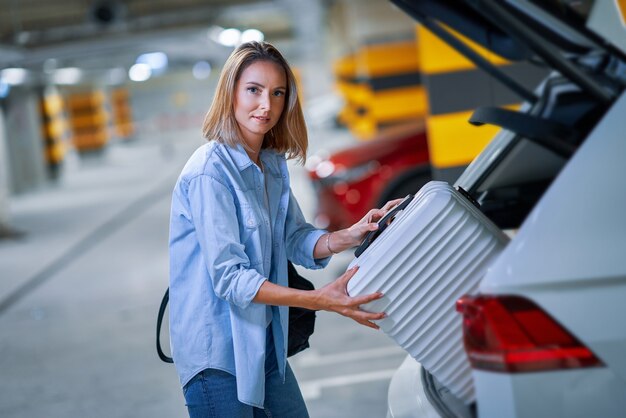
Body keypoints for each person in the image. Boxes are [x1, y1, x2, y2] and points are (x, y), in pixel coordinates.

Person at [168, 41, 401, 418]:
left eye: (277, 93)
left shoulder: (271, 164)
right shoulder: (210, 173)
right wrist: (319, 299)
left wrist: (351, 233)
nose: (267, 105)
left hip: (265, 343)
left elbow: (293, 239)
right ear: (230, 92)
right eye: (254, 90)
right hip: (219, 358)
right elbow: (230, 279)